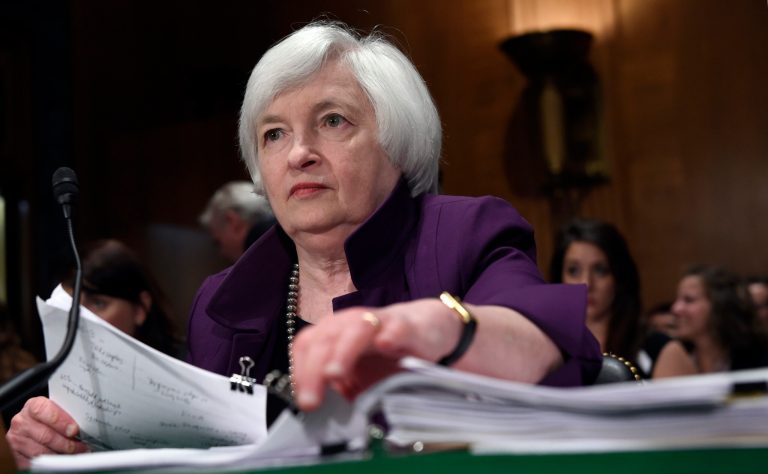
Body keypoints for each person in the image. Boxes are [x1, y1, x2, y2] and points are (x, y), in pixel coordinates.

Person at [6, 21, 601, 467]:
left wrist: (439, 328)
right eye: (274, 134)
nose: (298, 153)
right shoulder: (226, 302)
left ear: (398, 141)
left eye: (333, 120)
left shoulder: (465, 235)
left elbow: (539, 346)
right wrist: (83, 449)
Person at [6, 239, 184, 468]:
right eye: (70, 305)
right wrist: (19, 450)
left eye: (98, 303)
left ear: (141, 309)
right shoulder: (40, 387)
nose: (79, 319)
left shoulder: (191, 363)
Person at [550, 218, 695, 379]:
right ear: (559, 278)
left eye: (600, 270)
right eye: (574, 271)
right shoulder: (548, 348)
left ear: (619, 276)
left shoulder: (659, 349)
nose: (587, 283)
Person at [672, 264, 768, 373]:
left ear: (720, 305)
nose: (676, 309)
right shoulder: (674, 355)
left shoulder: (759, 356)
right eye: (677, 300)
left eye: (689, 300)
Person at [199, 180, 276, 263]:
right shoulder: (286, 234)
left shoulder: (260, 262)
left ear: (233, 221)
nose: (222, 253)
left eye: (218, 242)